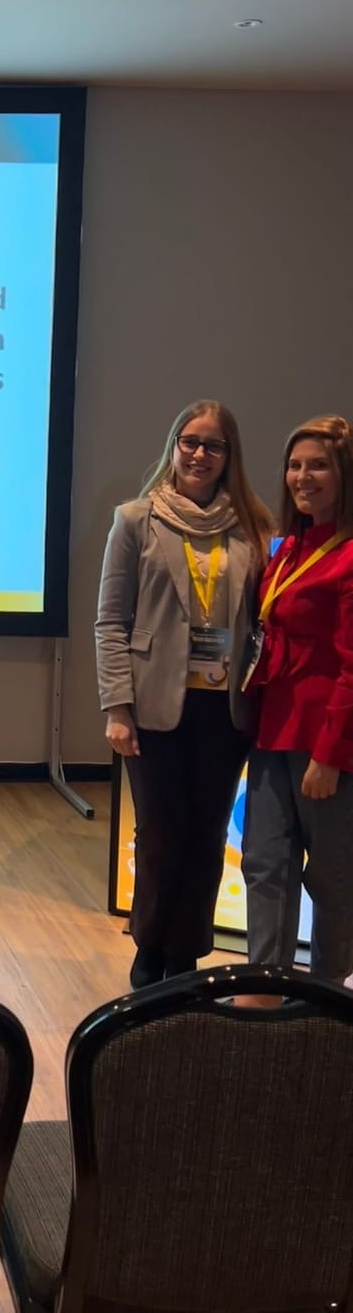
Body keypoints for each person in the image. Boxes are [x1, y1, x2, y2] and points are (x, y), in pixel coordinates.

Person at [97, 401, 271, 989]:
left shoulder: (253, 527)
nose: (200, 454)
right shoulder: (135, 520)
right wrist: (117, 708)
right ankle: (150, 946)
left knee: (207, 834)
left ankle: (187, 952)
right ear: (173, 446)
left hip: (225, 709)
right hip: (153, 706)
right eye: (190, 442)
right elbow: (110, 622)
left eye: (213, 445)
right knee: (160, 834)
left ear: (229, 456)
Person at [241, 415, 353, 986]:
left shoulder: (349, 553)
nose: (302, 477)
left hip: (326, 744)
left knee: (333, 880)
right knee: (264, 866)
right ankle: (263, 994)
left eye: (319, 466)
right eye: (294, 465)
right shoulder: (289, 547)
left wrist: (330, 755)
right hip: (273, 731)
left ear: (345, 474)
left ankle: (328, 1004)